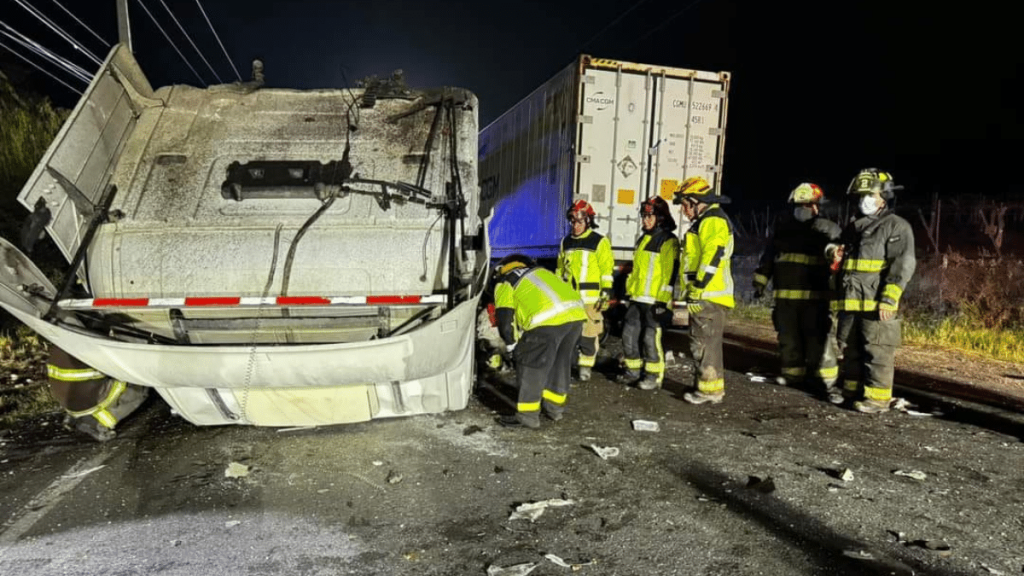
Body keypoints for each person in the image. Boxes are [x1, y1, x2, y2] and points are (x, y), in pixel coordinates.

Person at [826, 168, 916, 414]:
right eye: (861, 195)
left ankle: (877, 400)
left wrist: (889, 299)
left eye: (870, 194)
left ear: (885, 196)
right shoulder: (853, 228)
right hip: (852, 303)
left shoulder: (896, 227)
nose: (864, 200)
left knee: (877, 354)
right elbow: (841, 261)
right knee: (851, 351)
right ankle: (852, 392)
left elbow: (902, 265)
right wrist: (833, 256)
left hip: (876, 304)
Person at [753, 183, 842, 401]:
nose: (803, 208)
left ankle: (826, 382)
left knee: (818, 341)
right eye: (799, 204)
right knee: (788, 339)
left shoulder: (829, 230)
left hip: (816, 299)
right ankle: (793, 376)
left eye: (807, 204)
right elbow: (769, 258)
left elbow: (840, 264)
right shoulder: (783, 229)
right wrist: (760, 282)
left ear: (816, 206)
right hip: (785, 300)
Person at [492, 254, 587, 428]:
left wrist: (512, 348)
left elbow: (505, 320)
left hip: (545, 321)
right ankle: (554, 409)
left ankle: (528, 417)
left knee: (531, 366)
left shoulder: (506, 282)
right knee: (560, 364)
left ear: (501, 270)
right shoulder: (542, 272)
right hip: (576, 316)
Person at [674, 176, 735, 405]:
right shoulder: (707, 221)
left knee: (702, 343)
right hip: (708, 293)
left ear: (694, 201)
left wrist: (698, 287)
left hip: (708, 294)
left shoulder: (712, 220)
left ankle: (708, 391)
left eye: (684, 204)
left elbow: (712, 256)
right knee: (707, 343)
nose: (683, 210)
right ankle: (709, 388)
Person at [622, 197, 679, 390]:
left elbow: (669, 273)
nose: (645, 220)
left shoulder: (668, 240)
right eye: (643, 216)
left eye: (649, 216)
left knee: (650, 339)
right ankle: (632, 372)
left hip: (655, 301)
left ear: (660, 218)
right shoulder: (643, 239)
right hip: (637, 298)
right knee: (628, 335)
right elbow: (637, 271)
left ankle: (653, 376)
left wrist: (663, 302)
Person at [556, 199, 614, 381]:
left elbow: (606, 270)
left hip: (591, 299)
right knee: (568, 334)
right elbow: (560, 270)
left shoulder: (599, 241)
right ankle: (568, 364)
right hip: (570, 299)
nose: (575, 225)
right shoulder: (566, 242)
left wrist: (606, 293)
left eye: (579, 221)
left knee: (589, 335)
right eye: (572, 221)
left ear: (588, 221)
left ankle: (585, 367)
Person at [46, 343, 148, 441]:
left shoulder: (62, 334)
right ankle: (97, 423)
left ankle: (76, 415)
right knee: (137, 389)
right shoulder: (96, 339)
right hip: (88, 398)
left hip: (66, 398)